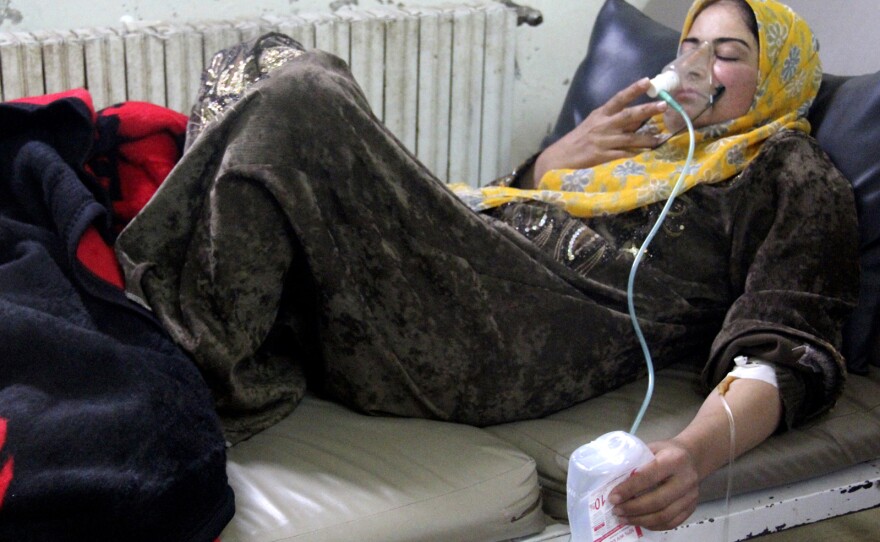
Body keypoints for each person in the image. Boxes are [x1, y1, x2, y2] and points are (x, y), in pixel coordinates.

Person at [115, 0, 859, 531]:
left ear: (779, 77)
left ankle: (194, 373)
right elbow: (496, 218)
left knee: (305, 94)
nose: (695, 65)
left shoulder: (789, 168)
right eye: (689, 45)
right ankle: (225, 334)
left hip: (524, 335)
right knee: (257, 59)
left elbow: (784, 349)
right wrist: (548, 166)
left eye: (728, 54)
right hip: (464, 281)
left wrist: (693, 456)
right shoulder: (640, 145)